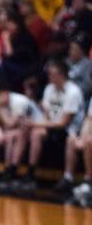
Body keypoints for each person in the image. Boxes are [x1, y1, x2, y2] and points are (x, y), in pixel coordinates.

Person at [24, 59, 85, 188]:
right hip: (51, 126)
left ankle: (68, 178)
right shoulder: (49, 88)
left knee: (37, 129)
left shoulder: (73, 92)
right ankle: (29, 173)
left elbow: (63, 123)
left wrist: (36, 124)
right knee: (35, 132)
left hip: (70, 130)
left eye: (51, 74)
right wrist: (40, 124)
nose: (49, 76)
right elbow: (46, 114)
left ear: (61, 75)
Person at [0, 79, 40, 190]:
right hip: (13, 128)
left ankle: (11, 168)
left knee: (14, 135)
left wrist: (1, 111)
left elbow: (12, 124)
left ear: (6, 93)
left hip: (33, 127)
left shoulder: (20, 101)